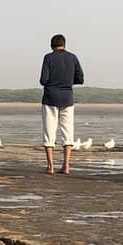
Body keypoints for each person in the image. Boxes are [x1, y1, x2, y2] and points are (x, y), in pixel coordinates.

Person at [39, 34, 84, 175]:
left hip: (50, 98)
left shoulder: (48, 58)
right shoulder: (72, 58)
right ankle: (66, 166)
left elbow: (43, 80)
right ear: (64, 45)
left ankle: (50, 166)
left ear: (52, 45)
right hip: (67, 98)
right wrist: (67, 82)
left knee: (49, 132)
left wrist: (53, 83)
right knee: (67, 132)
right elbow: (80, 78)